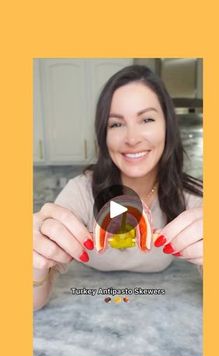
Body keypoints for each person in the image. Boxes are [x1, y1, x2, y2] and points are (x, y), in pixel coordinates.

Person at [33, 65, 203, 311]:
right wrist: (34, 262)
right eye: (115, 124)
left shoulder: (192, 199)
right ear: (103, 135)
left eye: (146, 119)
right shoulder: (79, 193)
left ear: (168, 126)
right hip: (89, 306)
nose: (132, 138)